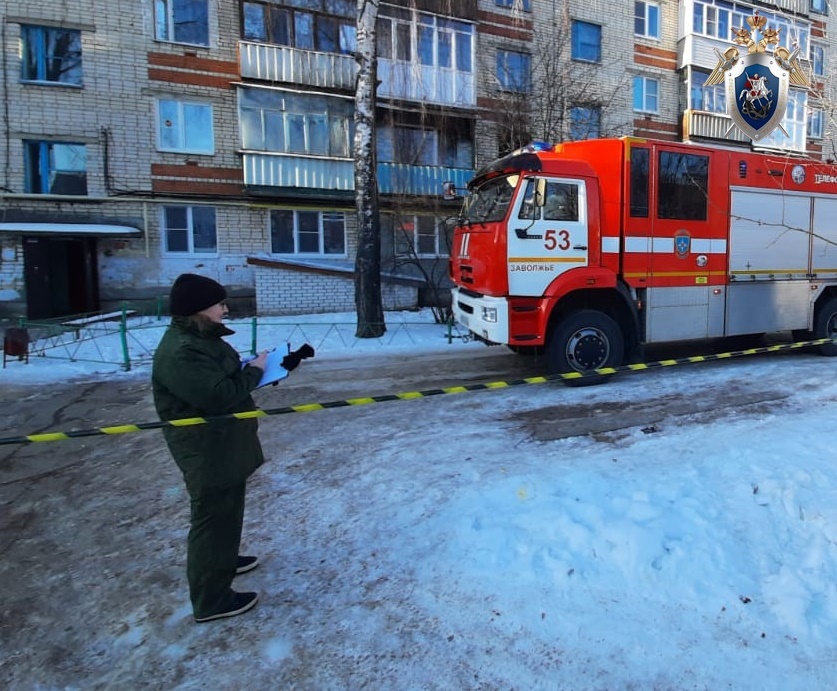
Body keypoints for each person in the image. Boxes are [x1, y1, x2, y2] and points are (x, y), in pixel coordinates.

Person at [152, 273, 313, 623]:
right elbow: (217, 395)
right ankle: (211, 599)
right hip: (206, 447)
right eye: (219, 303)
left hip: (222, 442)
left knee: (227, 508)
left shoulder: (201, 339)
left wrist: (262, 366)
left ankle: (222, 560)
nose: (225, 309)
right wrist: (254, 372)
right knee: (212, 517)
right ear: (199, 309)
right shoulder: (182, 351)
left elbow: (222, 377)